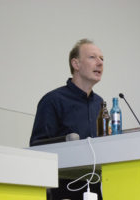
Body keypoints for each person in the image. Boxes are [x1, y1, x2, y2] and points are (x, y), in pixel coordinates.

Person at [30, 39, 104, 199]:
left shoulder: (100, 103)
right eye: (93, 57)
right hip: (63, 189)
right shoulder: (53, 100)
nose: (100, 63)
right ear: (75, 64)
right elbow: (37, 147)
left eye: (102, 59)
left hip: (95, 189)